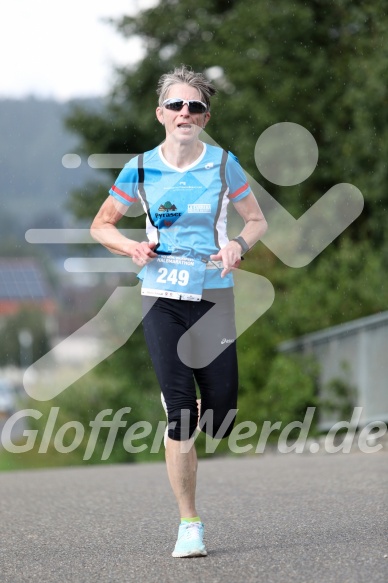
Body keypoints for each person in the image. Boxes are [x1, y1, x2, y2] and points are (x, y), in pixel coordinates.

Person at [90, 65, 267, 558]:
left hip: (213, 294)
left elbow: (256, 220)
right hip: (161, 295)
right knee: (182, 414)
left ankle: (196, 413)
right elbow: (101, 225)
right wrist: (131, 248)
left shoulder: (224, 164)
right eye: (176, 105)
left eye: (195, 107)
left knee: (222, 414)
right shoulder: (141, 168)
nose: (185, 113)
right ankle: (190, 522)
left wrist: (236, 245)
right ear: (161, 114)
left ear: (205, 118)